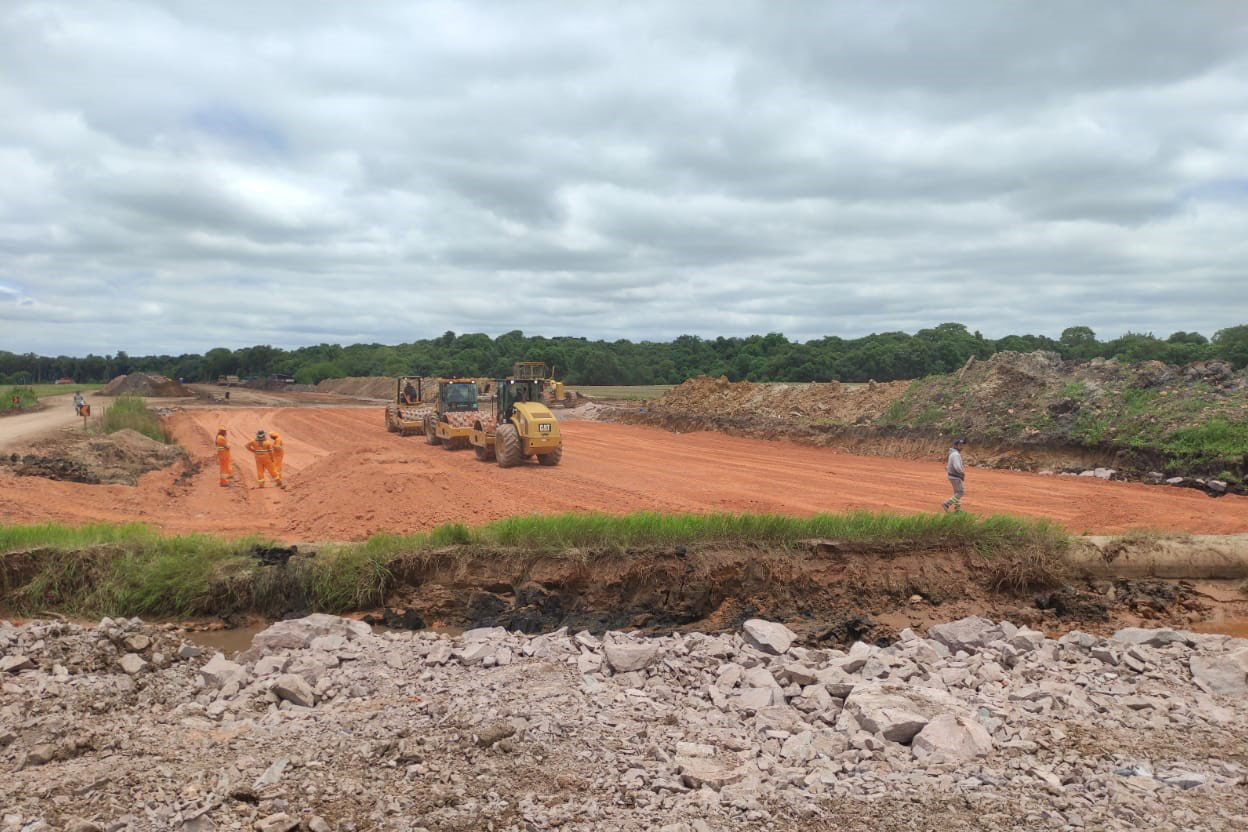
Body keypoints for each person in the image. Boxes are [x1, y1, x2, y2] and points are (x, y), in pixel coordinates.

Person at [941, 438, 966, 513]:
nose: (961, 447)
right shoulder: (956, 454)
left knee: (956, 493)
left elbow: (948, 466)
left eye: (962, 445)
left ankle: (957, 509)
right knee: (960, 492)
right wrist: (962, 473)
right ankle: (946, 503)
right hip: (956, 476)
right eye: (960, 445)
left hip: (952, 476)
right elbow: (957, 467)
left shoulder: (952, 453)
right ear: (955, 445)